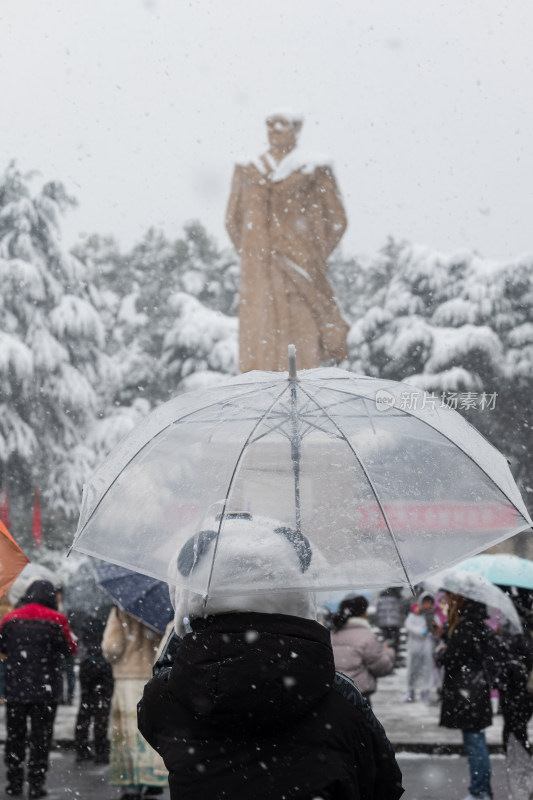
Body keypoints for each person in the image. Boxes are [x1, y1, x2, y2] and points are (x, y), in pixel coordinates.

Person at [138, 514, 404, 799]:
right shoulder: (338, 696)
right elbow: (385, 783)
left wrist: (185, 626)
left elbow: (155, 722)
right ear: (297, 590)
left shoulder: (165, 696)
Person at [225, 109, 349, 372]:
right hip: (259, 275)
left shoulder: (314, 169)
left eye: (282, 124)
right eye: (270, 124)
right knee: (260, 351)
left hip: (301, 269)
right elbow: (233, 221)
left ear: (295, 128)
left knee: (302, 344)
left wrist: (312, 254)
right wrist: (253, 253)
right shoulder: (248, 170)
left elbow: (337, 221)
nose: (275, 130)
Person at [0, 579, 77, 798]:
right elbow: (69, 650)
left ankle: (14, 783)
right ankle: (36, 784)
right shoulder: (57, 619)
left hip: (16, 690)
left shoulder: (10, 618)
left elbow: (2, 646)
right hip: (46, 691)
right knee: (40, 739)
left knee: (15, 737)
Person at [435, 592, 505, 800]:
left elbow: (454, 657)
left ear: (461, 600)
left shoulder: (466, 625)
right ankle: (482, 789)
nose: (446, 601)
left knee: (474, 740)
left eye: (450, 597)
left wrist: (441, 651)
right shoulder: (475, 624)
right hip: (474, 688)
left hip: (468, 692)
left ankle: (480, 790)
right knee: (476, 738)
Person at [102, 606, 167, 800]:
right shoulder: (161, 611)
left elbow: (111, 648)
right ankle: (152, 779)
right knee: (148, 728)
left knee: (128, 733)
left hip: (127, 678)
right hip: (151, 676)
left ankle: (131, 784)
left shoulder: (121, 610)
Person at [330, 594, 395, 705]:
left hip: (333, 695)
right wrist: (388, 652)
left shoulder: (331, 635)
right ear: (363, 614)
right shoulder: (367, 637)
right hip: (358, 696)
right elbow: (382, 668)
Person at [74, 616, 114, 764]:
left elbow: (78, 645)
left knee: (85, 707)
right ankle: (101, 751)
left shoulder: (82, 616)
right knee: (101, 710)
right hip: (104, 666)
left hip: (87, 666)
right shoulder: (110, 614)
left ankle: (81, 748)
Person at [402, 595, 436, 703]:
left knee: (426, 670)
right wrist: (422, 631)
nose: (427, 605)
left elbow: (436, 629)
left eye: (429, 603)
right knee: (413, 670)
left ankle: (424, 691)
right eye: (425, 602)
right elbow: (409, 627)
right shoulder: (413, 616)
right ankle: (411, 691)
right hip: (415, 647)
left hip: (426, 647)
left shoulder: (432, 616)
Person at [376, 586, 404, 664]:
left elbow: (378, 609)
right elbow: (401, 609)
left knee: (386, 642)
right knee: (395, 642)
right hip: (395, 624)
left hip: (384, 623)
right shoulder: (397, 595)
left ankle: (386, 661)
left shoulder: (382, 594)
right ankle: (394, 660)